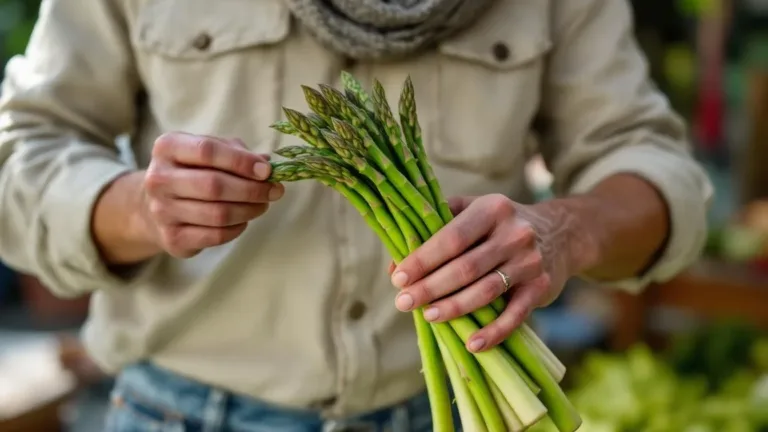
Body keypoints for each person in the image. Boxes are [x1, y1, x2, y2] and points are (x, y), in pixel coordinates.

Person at [0, 0, 712, 430]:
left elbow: (654, 164)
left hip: (460, 415)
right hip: (180, 415)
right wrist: (134, 209)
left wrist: (568, 229)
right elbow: (22, 149)